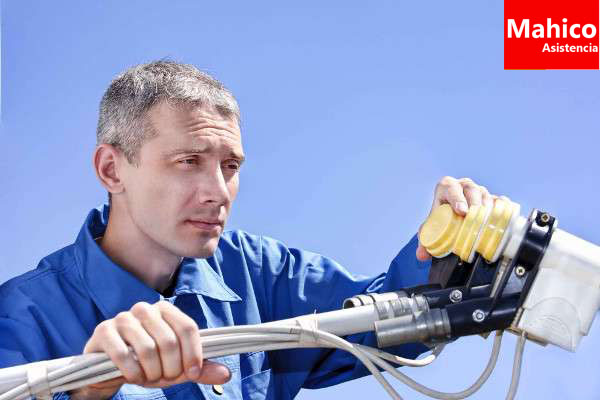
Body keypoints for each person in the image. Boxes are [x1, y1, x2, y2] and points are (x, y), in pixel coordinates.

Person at [0, 61, 494, 400]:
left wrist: (442, 252)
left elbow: (378, 320)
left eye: (230, 166)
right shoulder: (20, 317)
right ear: (112, 170)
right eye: (188, 161)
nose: (218, 191)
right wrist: (88, 389)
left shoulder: (259, 274)